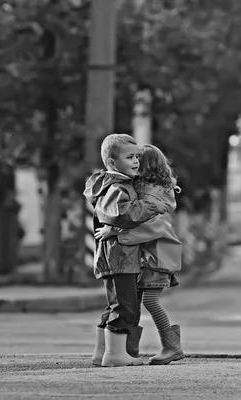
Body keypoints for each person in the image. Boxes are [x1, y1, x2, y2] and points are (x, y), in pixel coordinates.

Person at [95, 144, 184, 366]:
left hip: (159, 258)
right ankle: (129, 349)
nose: (134, 164)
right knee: (135, 301)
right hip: (153, 257)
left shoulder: (154, 198)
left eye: (137, 160)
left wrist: (114, 231)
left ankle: (171, 346)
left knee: (150, 301)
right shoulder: (153, 193)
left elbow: (150, 227)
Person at [83, 134, 167, 367]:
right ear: (112, 163)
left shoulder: (114, 184)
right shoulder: (117, 187)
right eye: (130, 157)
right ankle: (115, 355)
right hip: (119, 256)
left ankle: (103, 353)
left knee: (115, 305)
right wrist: (150, 206)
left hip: (116, 256)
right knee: (126, 307)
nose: (136, 161)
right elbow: (123, 214)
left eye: (137, 157)